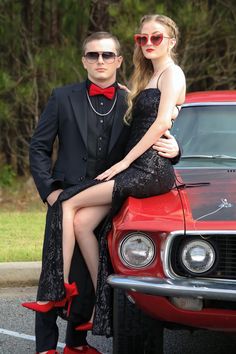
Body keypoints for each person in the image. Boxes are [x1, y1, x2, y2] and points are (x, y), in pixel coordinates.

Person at [23, 27, 181, 354]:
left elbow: (150, 132)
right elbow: (38, 147)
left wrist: (175, 149)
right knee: (53, 270)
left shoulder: (131, 100)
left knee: (86, 278)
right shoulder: (61, 97)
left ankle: (77, 345)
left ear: (119, 60)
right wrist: (50, 190)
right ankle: (45, 348)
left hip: (107, 198)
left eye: (107, 54)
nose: (100, 60)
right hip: (65, 194)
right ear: (84, 61)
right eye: (93, 54)